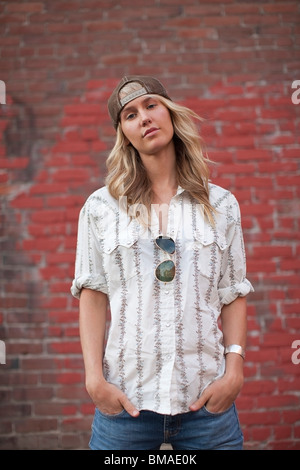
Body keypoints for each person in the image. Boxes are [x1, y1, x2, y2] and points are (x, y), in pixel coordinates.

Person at [71, 75, 254, 450]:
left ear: (170, 113)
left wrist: (234, 369)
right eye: (130, 115)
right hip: (126, 404)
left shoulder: (221, 205)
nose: (144, 118)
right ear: (124, 133)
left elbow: (233, 291)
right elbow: (92, 292)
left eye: (151, 105)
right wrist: (94, 380)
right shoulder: (101, 208)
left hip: (206, 401)